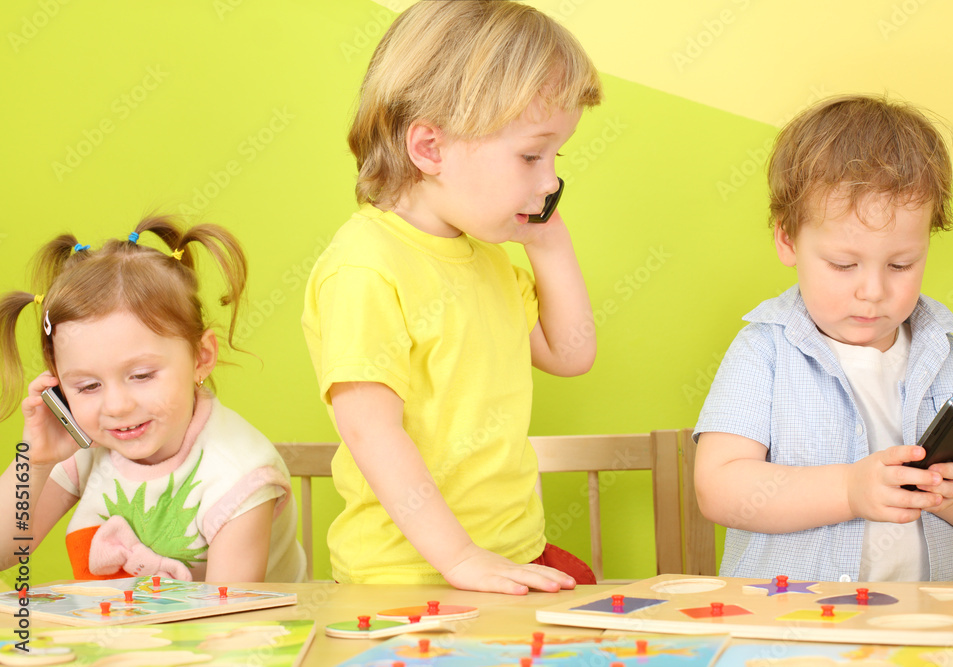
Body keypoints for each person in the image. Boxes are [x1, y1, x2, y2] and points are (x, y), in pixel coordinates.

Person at [302, 0, 601, 594]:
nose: (550, 182)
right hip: (406, 576)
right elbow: (371, 432)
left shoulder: (486, 257)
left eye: (555, 158)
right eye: (530, 156)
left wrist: (549, 247)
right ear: (430, 149)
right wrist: (460, 557)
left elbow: (570, 354)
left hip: (511, 552)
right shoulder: (366, 266)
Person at [694, 94, 953, 582]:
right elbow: (720, 486)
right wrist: (850, 490)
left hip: (934, 633)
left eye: (901, 264)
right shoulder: (764, 351)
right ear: (788, 240)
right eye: (843, 264)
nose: (873, 291)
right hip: (794, 631)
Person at [0, 216, 306, 582]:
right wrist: (33, 463)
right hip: (129, 634)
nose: (116, 406)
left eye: (142, 376)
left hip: (231, 633)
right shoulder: (85, 444)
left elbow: (225, 620)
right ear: (58, 386)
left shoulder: (238, 475)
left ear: (201, 357)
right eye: (87, 387)